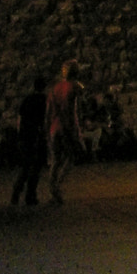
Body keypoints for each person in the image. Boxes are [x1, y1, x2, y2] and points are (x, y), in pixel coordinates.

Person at [46, 60, 84, 205]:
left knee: (55, 161)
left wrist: (47, 128)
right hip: (68, 127)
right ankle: (58, 186)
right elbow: (77, 107)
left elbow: (48, 112)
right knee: (71, 157)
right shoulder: (74, 87)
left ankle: (53, 190)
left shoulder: (55, 88)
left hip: (55, 128)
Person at [11, 74, 48, 207]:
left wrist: (19, 134)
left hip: (25, 136)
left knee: (25, 166)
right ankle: (30, 195)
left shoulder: (27, 100)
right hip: (36, 136)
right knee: (36, 167)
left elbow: (20, 119)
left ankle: (16, 193)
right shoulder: (44, 100)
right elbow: (45, 120)